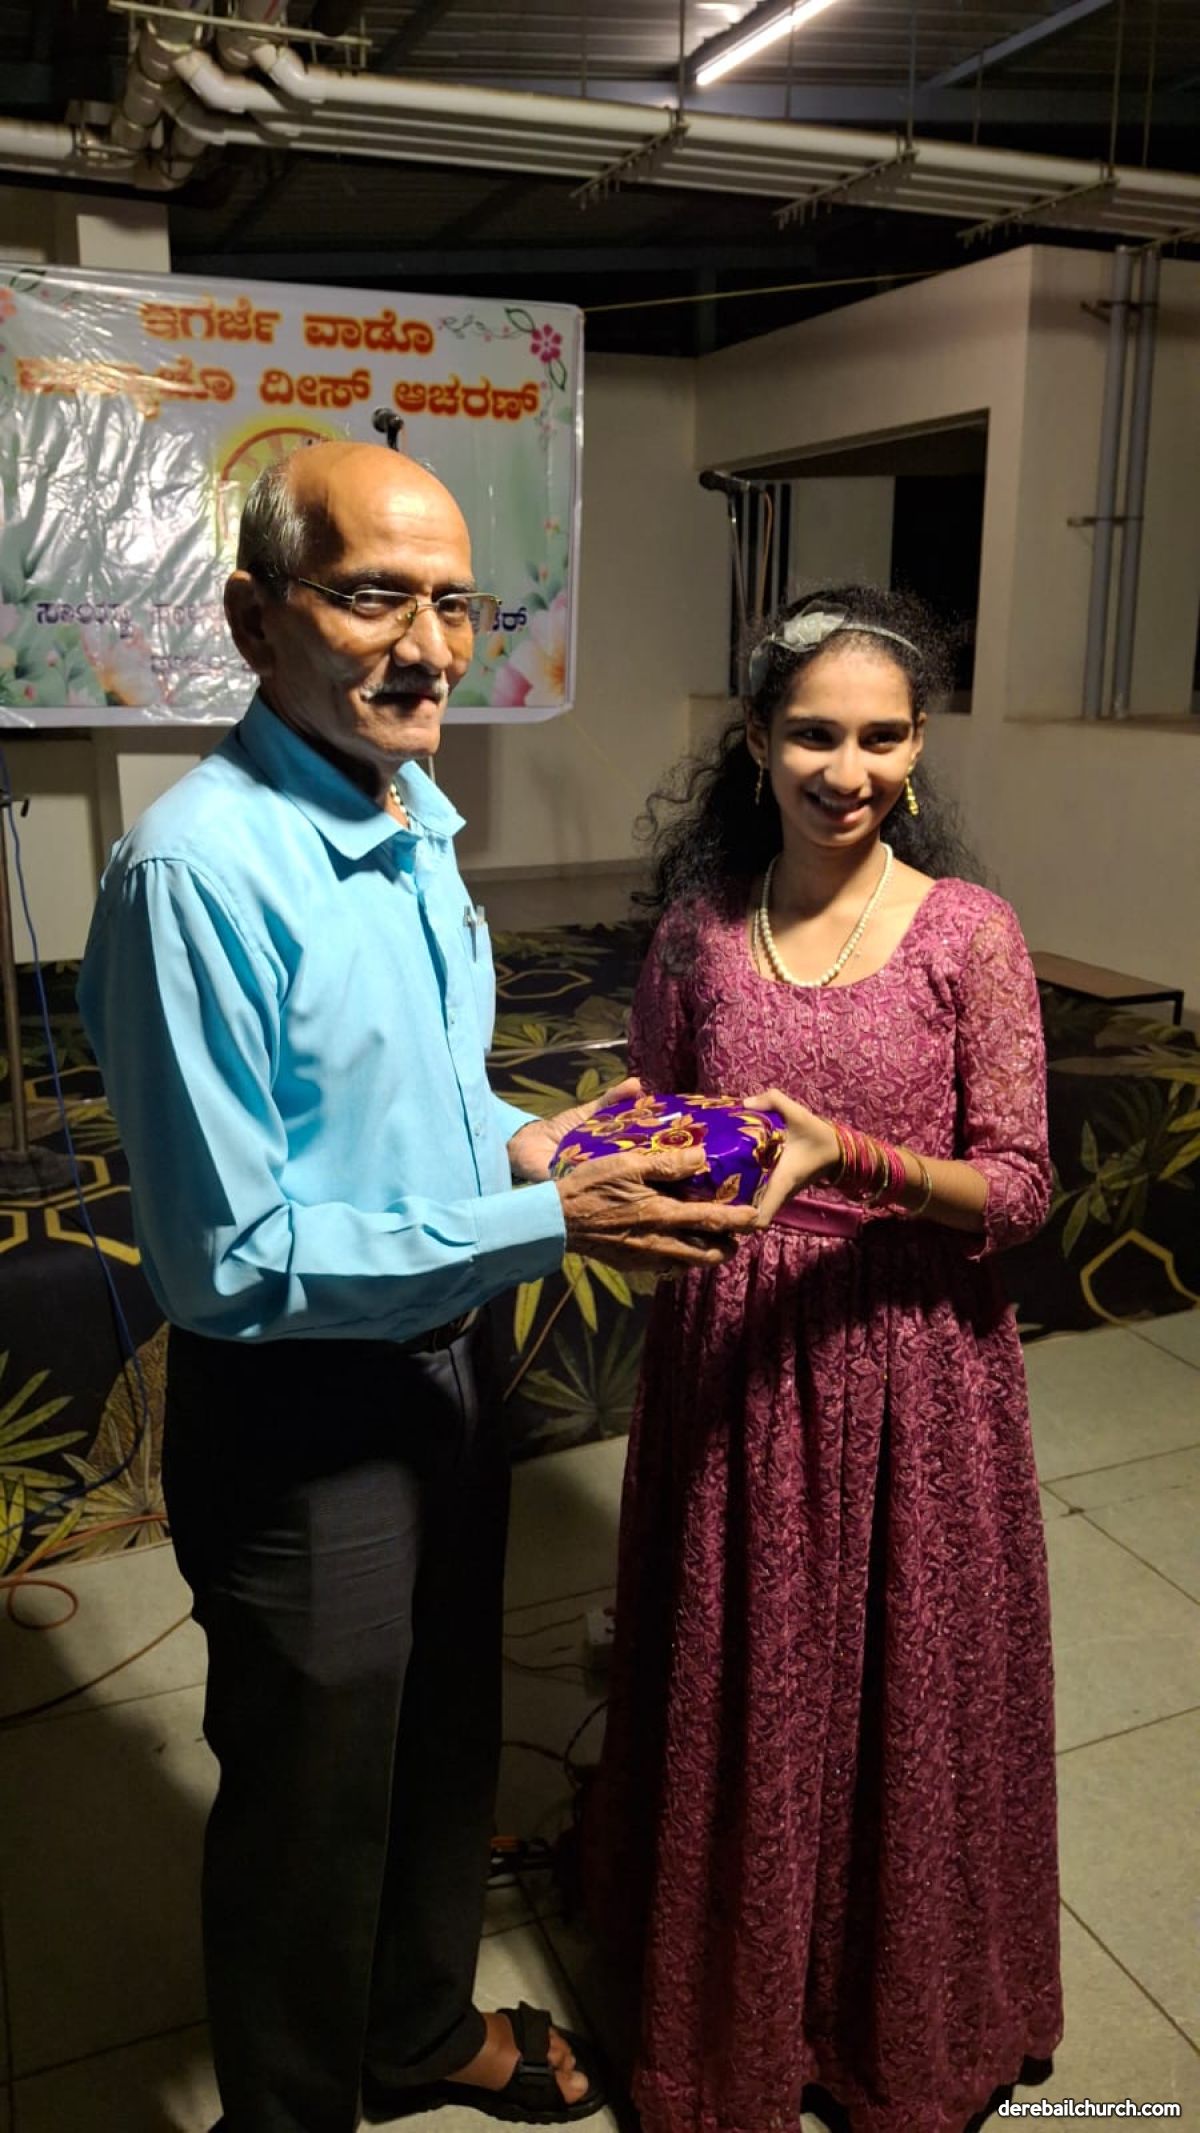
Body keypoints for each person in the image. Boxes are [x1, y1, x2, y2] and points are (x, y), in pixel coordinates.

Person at [78, 440, 756, 2133]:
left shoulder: (407, 811)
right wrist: (550, 1223)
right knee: (311, 1808)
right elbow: (231, 1261)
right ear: (256, 617)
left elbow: (409, 1109)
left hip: (445, 1367)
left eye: (458, 603)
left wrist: (536, 1144)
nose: (434, 646)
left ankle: (416, 2027)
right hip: (302, 1412)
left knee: (444, 1732)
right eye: (377, 596)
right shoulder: (197, 875)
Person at [583, 587, 1062, 2133]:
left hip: (912, 1363)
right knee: (744, 1689)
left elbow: (1021, 1188)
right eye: (812, 734)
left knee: (903, 1699)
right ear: (754, 740)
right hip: (734, 1356)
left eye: (880, 736)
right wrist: (614, 1181)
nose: (845, 769)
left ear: (917, 749)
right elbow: (661, 1125)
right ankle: (730, 2026)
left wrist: (851, 1156)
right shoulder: (697, 936)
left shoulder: (970, 936)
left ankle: (892, 2026)